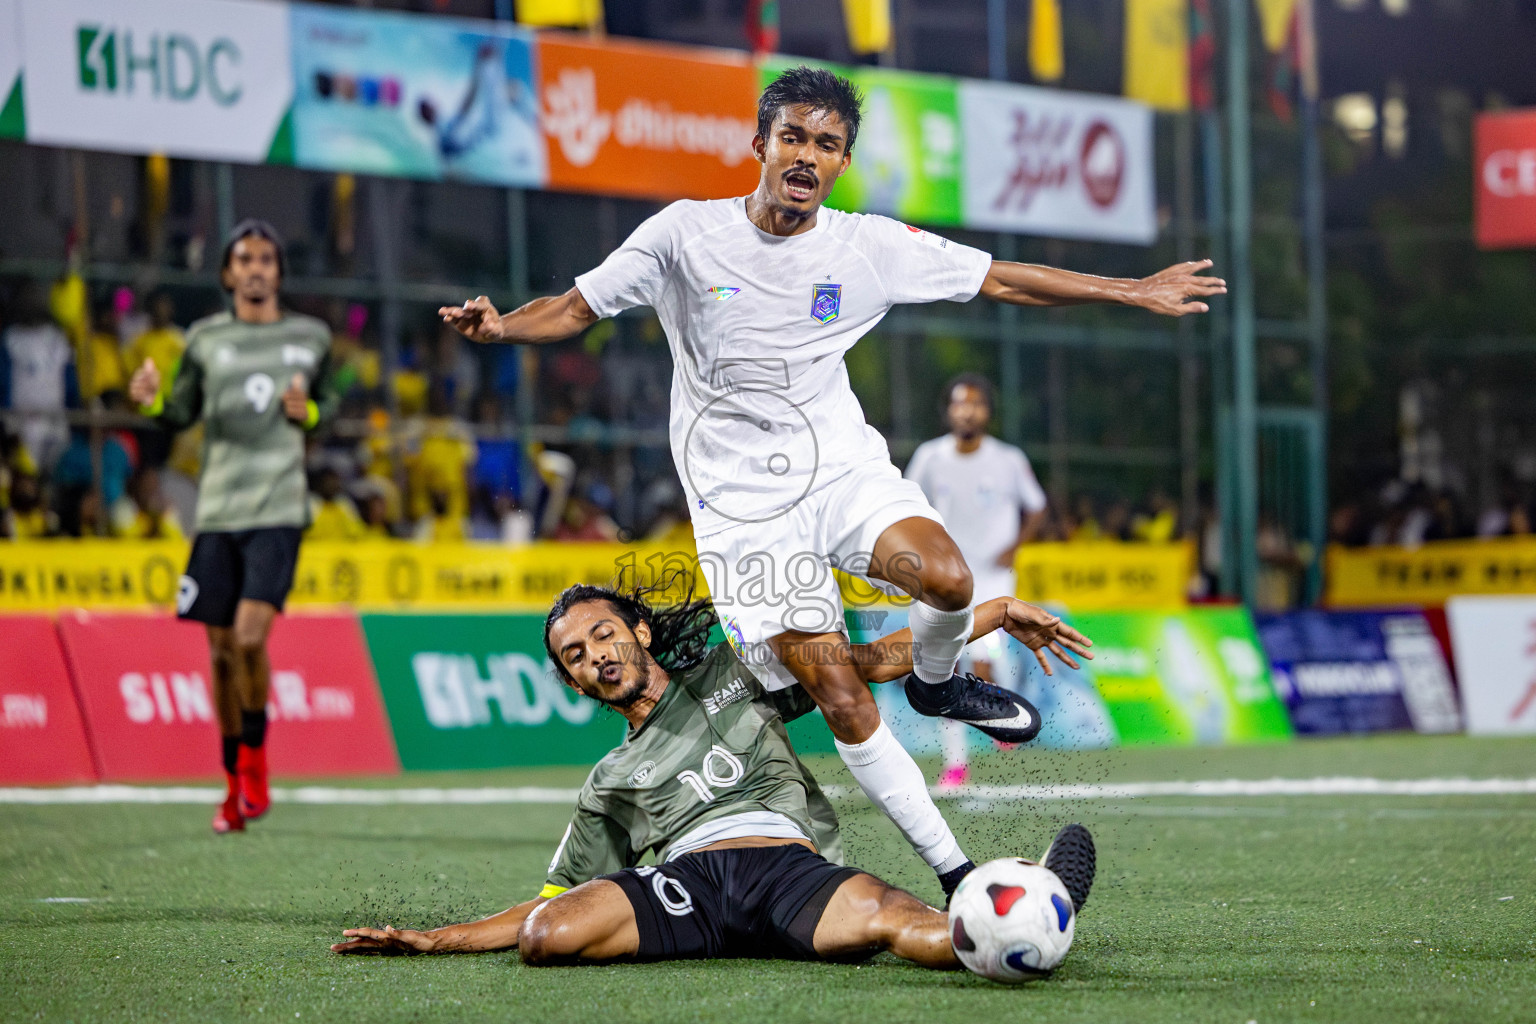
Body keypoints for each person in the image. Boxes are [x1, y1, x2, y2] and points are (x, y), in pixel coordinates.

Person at [438, 65, 1220, 898]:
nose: (808, 155)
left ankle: (934, 678)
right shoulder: (682, 235)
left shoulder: (864, 246)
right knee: (839, 689)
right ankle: (957, 877)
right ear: (761, 144)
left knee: (949, 581)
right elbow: (575, 306)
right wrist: (502, 328)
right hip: (743, 513)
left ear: (842, 162)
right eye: (794, 137)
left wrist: (1129, 289)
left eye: (828, 144)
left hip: (839, 470)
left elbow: (998, 277)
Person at [331, 582, 1096, 966]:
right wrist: (436, 940)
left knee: (910, 927)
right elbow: (554, 898)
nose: (596, 654)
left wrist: (989, 613)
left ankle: (1033, 905)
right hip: (687, 888)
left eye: (603, 633)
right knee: (545, 937)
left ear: (637, 631)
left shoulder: (735, 673)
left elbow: (863, 665)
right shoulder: (609, 780)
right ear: (573, 682)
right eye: (575, 654)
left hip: (787, 870)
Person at [128, 220, 335, 835]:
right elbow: (180, 412)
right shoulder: (204, 340)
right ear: (227, 273)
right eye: (244, 259)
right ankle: (230, 786)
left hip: (278, 509)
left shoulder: (312, 336)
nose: (255, 269)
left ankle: (257, 763)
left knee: (248, 638)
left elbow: (334, 410)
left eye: (266, 259)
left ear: (278, 271)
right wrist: (152, 401)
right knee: (218, 653)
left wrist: (314, 411)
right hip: (216, 512)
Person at [905, 373, 1049, 790]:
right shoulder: (930, 457)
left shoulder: (1008, 459)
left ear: (988, 411)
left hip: (993, 577)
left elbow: (1037, 507)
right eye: (959, 403)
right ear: (948, 410)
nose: (967, 410)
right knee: (943, 667)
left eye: (975, 403)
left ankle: (1003, 706)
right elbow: (908, 505)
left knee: (986, 657)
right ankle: (955, 763)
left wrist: (1015, 547)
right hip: (946, 578)